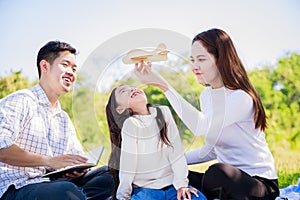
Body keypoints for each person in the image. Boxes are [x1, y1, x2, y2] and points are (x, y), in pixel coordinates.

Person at [134, 28, 279, 200]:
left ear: (221, 60)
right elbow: (209, 151)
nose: (194, 66)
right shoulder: (207, 96)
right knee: (170, 175)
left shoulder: (241, 98)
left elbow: (200, 127)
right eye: (192, 60)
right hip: (223, 181)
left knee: (216, 173)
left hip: (258, 184)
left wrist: (165, 87)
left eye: (201, 59)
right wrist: (169, 161)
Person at [0, 41, 113, 200]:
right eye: (65, 65)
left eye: (74, 69)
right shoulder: (21, 100)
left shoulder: (63, 118)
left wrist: (77, 168)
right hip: (18, 186)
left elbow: (73, 158)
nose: (71, 73)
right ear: (45, 66)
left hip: (54, 183)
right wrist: (49, 161)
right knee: (66, 191)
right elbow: (2, 149)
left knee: (112, 174)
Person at [105, 84, 207, 200]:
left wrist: (181, 185)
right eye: (123, 91)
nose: (132, 89)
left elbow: (176, 152)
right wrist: (123, 196)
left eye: (133, 87)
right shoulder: (131, 124)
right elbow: (128, 164)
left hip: (172, 186)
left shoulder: (164, 112)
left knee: (196, 197)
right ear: (120, 109)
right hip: (146, 190)